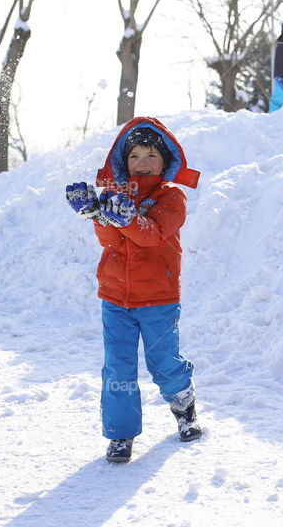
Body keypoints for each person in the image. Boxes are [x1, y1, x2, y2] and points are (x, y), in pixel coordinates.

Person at [65, 117, 202, 463]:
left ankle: (183, 405)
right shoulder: (116, 195)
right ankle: (120, 434)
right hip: (115, 299)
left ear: (165, 160)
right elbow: (109, 242)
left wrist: (127, 220)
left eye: (151, 156)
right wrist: (98, 216)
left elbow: (153, 234)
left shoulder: (172, 198)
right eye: (135, 156)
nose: (142, 164)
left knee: (163, 363)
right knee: (118, 368)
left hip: (158, 299)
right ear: (123, 162)